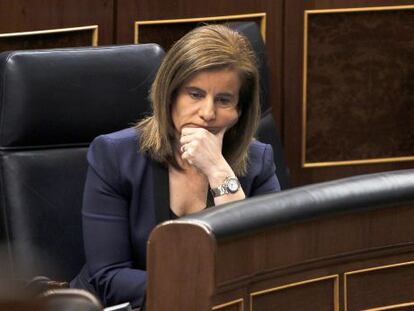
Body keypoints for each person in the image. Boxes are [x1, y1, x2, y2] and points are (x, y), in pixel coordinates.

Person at [71, 24, 280, 308]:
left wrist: (219, 172)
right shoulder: (115, 155)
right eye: (195, 94)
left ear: (238, 112)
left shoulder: (259, 162)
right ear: (170, 95)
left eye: (223, 100)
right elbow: (110, 277)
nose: (207, 113)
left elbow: (262, 267)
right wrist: (194, 293)